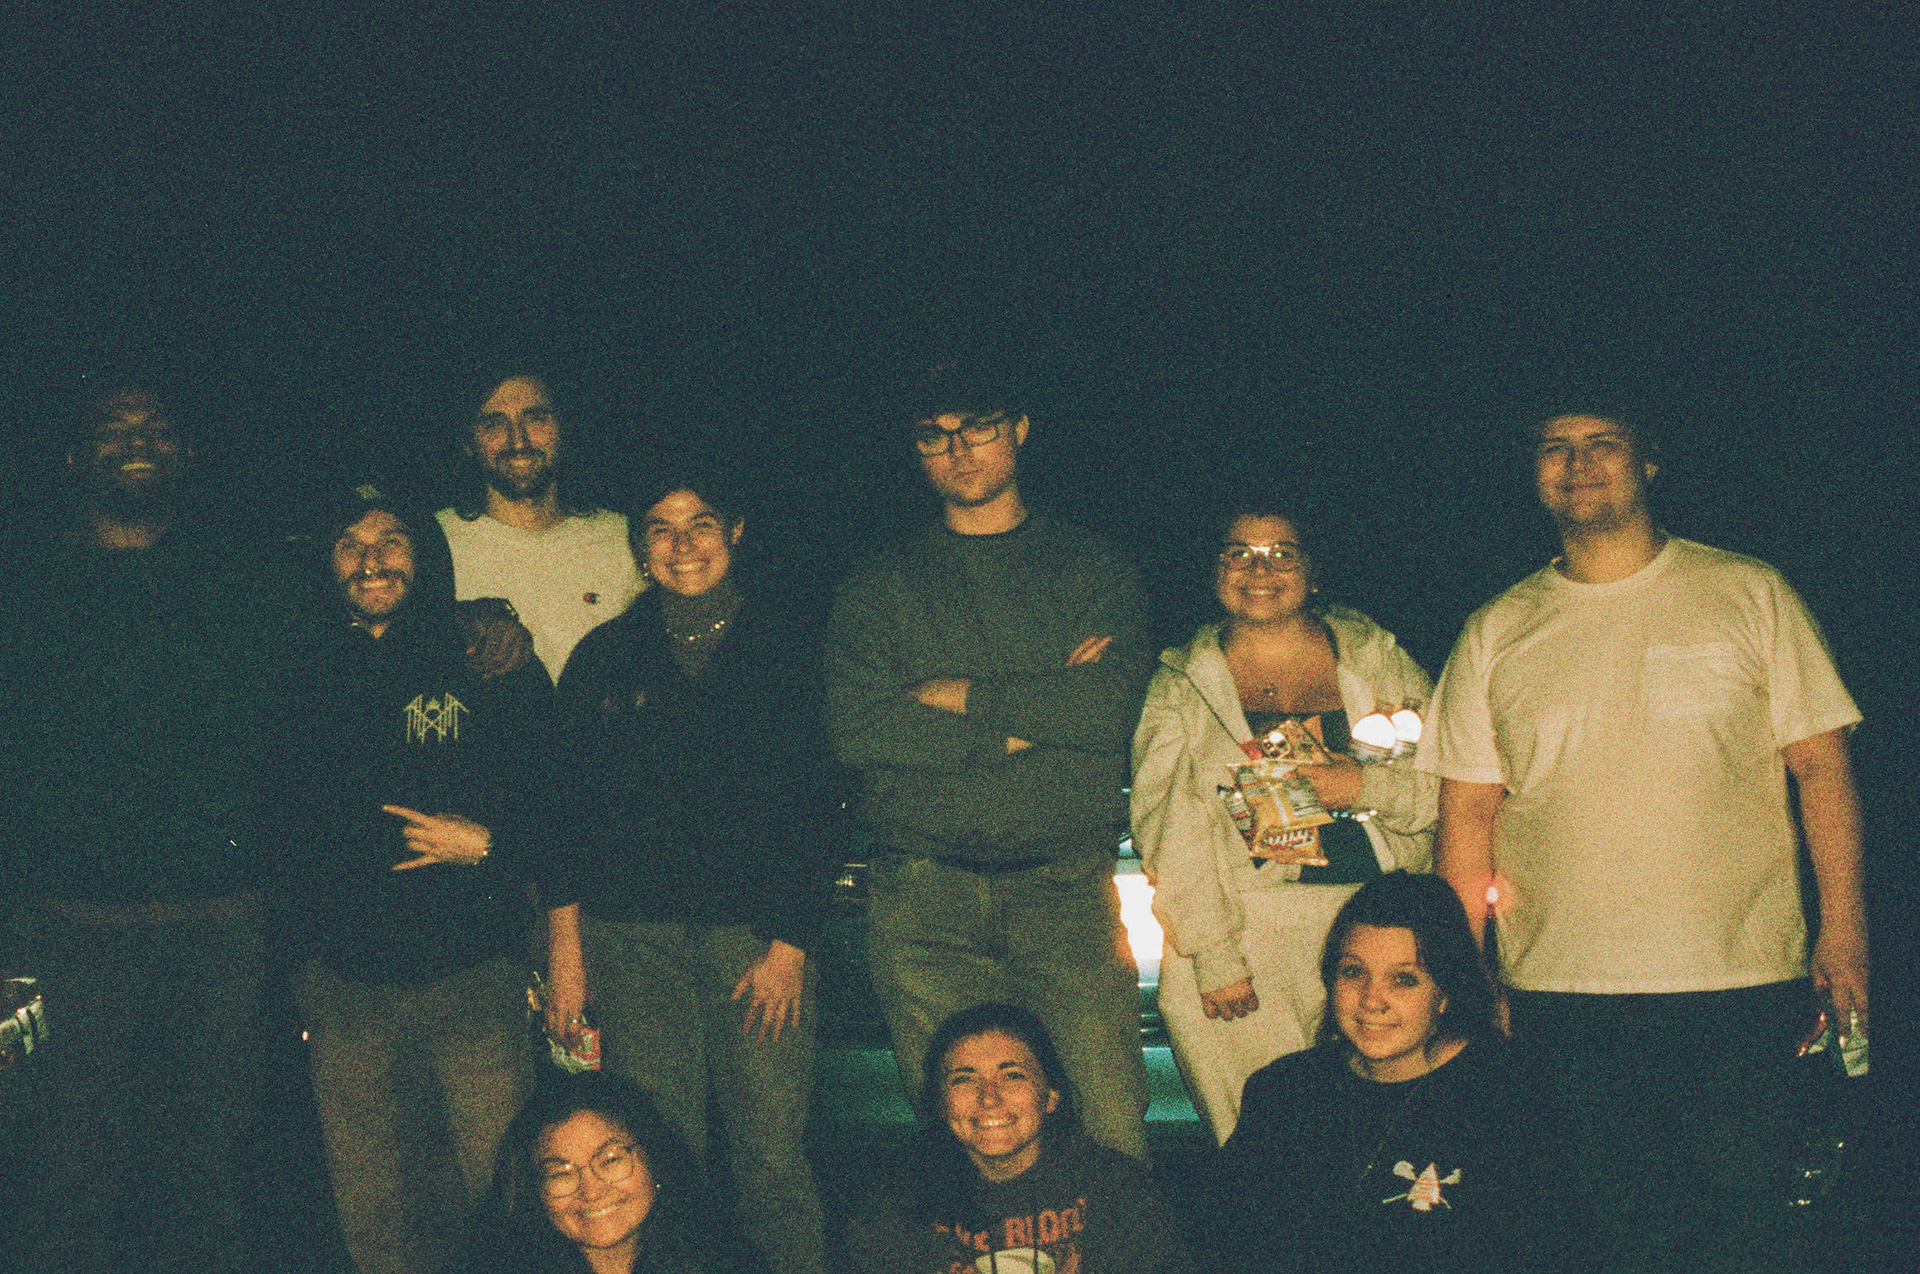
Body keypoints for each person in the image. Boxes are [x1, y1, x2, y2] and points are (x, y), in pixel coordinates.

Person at [1419, 410, 1867, 1272]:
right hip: (1559, 991)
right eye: (1555, 446)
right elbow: (1467, 816)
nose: (1578, 463)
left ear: (1649, 463)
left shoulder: (1749, 592)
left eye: (1603, 443)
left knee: (1749, 1232)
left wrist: (1843, 930)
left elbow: (1821, 767)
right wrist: (1467, 978)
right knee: (1602, 1234)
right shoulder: (1496, 627)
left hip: (1738, 977)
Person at [0, 377, 314, 1272]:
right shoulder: (25, 588)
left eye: (156, 427)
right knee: (67, 1173)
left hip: (220, 932)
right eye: (115, 427)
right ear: (75, 458)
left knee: (208, 1173)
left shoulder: (245, 582)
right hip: (69, 933)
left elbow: (336, 677)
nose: (137, 440)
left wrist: (475, 624)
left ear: (187, 454)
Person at [822, 362, 1153, 1159]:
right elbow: (860, 730)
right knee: (967, 1144)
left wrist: (959, 694)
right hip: (923, 901)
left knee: (1108, 1129)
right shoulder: (879, 586)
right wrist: (1036, 713)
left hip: (1065, 895)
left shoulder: (1091, 568)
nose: (959, 450)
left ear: (1020, 429)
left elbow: (1108, 708)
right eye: (934, 436)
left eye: (978, 427)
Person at [544, 469, 836, 1274]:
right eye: (662, 528)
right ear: (640, 546)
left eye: (701, 523)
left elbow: (821, 803)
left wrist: (791, 946)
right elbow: (563, 815)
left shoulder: (791, 647)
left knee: (770, 1159)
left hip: (756, 945)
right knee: (657, 1162)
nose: (683, 545)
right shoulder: (605, 657)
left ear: (734, 532)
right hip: (631, 942)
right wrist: (567, 952)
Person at [287, 482, 557, 1274]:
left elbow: (564, 800)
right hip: (345, 992)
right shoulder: (299, 668)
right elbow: (275, 820)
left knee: (505, 1194)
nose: (370, 560)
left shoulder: (486, 658)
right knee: (375, 1213)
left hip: (473, 980)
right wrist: (299, 965)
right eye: (350, 544)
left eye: (391, 540)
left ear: (425, 554)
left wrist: (493, 847)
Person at [1131, 500, 1436, 1144]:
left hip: (1374, 928)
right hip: (1241, 935)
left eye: (1282, 554)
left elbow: (1446, 784)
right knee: (1260, 1147)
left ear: (1313, 571)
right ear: (1215, 571)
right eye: (1239, 554)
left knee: (1385, 1141)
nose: (1260, 570)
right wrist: (1214, 955)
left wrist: (1361, 784)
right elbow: (1166, 824)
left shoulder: (1375, 657)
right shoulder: (1181, 683)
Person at [1217, 872, 1557, 1273]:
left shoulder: (1511, 1096)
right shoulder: (1284, 1092)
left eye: (1403, 980)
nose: (1371, 1000)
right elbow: (1233, 1239)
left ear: (1445, 993)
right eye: (1354, 972)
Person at [844, 1002, 1196, 1273]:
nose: (989, 1097)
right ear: (940, 1104)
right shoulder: (896, 1205)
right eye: (964, 1079)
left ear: (1051, 1096)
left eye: (1012, 1075)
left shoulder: (1116, 1190)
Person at [438, 371, 646, 682]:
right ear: (469, 442)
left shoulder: (624, 538)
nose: (518, 440)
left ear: (562, 428)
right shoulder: (432, 541)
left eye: (535, 419)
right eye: (494, 424)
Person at [465, 1072, 726, 1274]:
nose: (591, 1191)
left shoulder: (718, 1257)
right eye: (561, 1174)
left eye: (610, 1160)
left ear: (654, 1158)